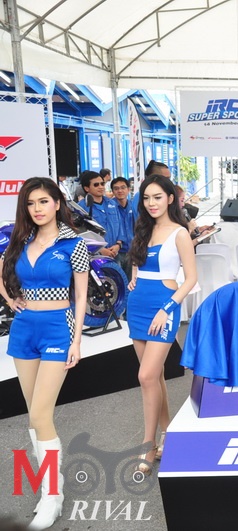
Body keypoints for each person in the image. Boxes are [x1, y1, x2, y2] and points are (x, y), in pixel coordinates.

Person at [0, 178, 89, 530]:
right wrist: (11, 300)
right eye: (30, 203)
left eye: (43, 201)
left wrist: (77, 341)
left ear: (57, 204)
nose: (37, 209)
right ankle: (51, 486)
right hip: (24, 331)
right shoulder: (21, 241)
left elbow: (80, 296)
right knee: (34, 418)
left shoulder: (73, 244)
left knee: (40, 415)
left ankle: (52, 495)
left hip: (57, 330)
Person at [127, 174, 197, 474]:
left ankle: (148, 444)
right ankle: (169, 433)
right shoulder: (143, 228)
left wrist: (167, 309)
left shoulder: (180, 233)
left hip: (163, 309)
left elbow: (191, 279)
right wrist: (133, 277)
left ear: (170, 199)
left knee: (146, 376)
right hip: (137, 307)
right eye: (146, 198)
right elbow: (136, 260)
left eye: (157, 197)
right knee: (154, 377)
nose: (151, 203)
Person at [77, 171, 122, 259]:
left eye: (102, 184)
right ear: (86, 188)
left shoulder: (112, 203)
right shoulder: (81, 207)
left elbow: (120, 226)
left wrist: (118, 245)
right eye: (96, 185)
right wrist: (100, 249)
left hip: (115, 253)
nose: (101, 187)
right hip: (94, 256)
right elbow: (80, 234)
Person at [110, 177, 135, 281]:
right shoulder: (109, 207)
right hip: (116, 251)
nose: (120, 191)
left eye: (123, 187)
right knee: (118, 282)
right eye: (116, 188)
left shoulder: (133, 206)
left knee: (131, 282)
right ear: (112, 191)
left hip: (132, 251)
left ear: (128, 189)